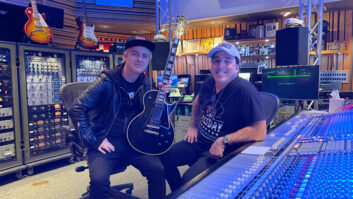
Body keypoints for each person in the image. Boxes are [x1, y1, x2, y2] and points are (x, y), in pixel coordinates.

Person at [69, 35, 171, 199]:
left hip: (135, 142)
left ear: (148, 60)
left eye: (144, 56)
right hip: (106, 140)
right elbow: (77, 108)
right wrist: (94, 140)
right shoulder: (106, 81)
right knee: (98, 180)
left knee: (158, 170)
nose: (139, 59)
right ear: (125, 56)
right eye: (135, 53)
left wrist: (161, 95)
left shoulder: (146, 83)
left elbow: (149, 114)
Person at [162, 41, 267, 191]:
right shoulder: (210, 82)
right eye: (216, 61)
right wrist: (193, 126)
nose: (220, 66)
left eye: (227, 61)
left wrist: (224, 140)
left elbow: (260, 131)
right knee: (163, 158)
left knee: (189, 182)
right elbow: (197, 102)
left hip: (221, 151)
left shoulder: (245, 90)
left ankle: (183, 191)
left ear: (236, 68)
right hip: (199, 142)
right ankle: (177, 193)